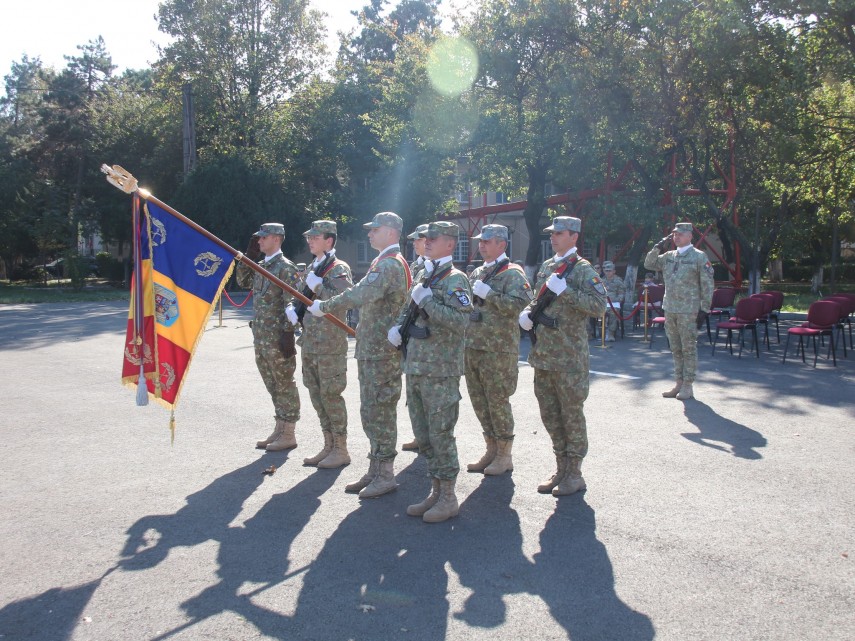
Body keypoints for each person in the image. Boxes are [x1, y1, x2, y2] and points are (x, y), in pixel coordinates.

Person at [308, 212, 411, 498]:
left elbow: (359, 294)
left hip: (382, 352)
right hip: (373, 349)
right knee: (370, 411)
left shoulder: (389, 265)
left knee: (380, 412)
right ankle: (375, 468)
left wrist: (325, 305)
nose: (369, 234)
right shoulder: (383, 262)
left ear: (391, 232)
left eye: (375, 230)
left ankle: (386, 473)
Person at [388, 221, 472, 522]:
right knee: (424, 436)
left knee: (441, 434)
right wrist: (397, 327)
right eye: (425, 239)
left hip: (440, 371)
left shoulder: (456, 280)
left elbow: (462, 321)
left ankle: (449, 496)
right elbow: (409, 308)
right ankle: (435, 490)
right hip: (416, 366)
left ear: (450, 244)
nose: (426, 243)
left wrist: (430, 303)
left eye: (432, 239)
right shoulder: (424, 273)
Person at [518, 216, 606, 497]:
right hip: (543, 355)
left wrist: (567, 292)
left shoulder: (582, 270)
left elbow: (598, 306)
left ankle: (575, 473)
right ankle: (561, 466)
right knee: (550, 415)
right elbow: (537, 296)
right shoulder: (547, 266)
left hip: (569, 359)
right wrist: (528, 313)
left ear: (574, 236)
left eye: (559, 233)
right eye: (552, 233)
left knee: (571, 415)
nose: (553, 238)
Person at [464, 224, 532, 476]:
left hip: (498, 350)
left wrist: (491, 294)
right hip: (473, 345)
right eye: (480, 241)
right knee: (479, 401)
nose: (481, 245)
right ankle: (491, 449)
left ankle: (504, 455)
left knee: (497, 401)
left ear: (502, 245)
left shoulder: (513, 273)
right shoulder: (478, 272)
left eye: (487, 241)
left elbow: (521, 304)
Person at [286, 220, 353, 469]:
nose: (310, 240)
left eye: (316, 237)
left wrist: (321, 287)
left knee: (331, 394)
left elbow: (345, 299)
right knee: (316, 394)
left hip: (330, 343)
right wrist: (295, 309)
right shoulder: (315, 265)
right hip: (311, 341)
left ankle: (341, 448)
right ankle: (328, 444)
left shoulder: (338, 268)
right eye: (309, 237)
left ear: (330, 240)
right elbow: (303, 296)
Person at [236, 223, 301, 451]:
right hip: (262, 337)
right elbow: (242, 282)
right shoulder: (261, 265)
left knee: (284, 383)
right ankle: (279, 427)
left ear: (276, 238)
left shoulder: (286, 268)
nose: (259, 241)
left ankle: (289, 432)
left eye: (263, 238)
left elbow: (291, 303)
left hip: (277, 338)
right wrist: (248, 257)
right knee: (272, 383)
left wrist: (288, 333)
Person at [644, 222, 714, 400]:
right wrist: (657, 246)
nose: (677, 237)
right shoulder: (668, 256)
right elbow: (649, 264)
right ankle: (679, 383)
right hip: (671, 309)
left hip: (689, 310)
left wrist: (704, 309)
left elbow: (707, 285)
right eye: (674, 234)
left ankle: (688, 385)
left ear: (690, 236)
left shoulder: (699, 257)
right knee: (675, 348)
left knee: (688, 348)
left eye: (681, 234)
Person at [399, 223, 430, 452]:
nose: (415, 242)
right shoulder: (415, 266)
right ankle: (420, 434)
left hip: (430, 341)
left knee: (429, 393)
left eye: (419, 239)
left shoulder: (434, 269)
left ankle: (429, 437)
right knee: (414, 391)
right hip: (412, 336)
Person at [602, 261, 626, 342]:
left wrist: (614, 300)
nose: (608, 272)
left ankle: (611, 333)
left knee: (613, 312)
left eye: (610, 271)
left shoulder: (618, 281)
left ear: (614, 271)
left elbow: (621, 295)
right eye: (606, 271)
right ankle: (589, 332)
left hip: (614, 304)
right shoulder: (601, 281)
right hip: (602, 303)